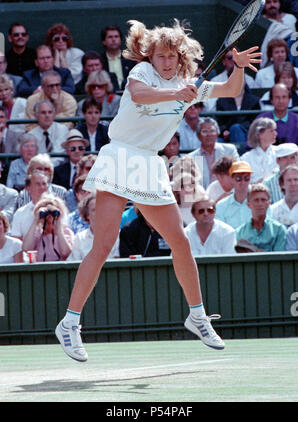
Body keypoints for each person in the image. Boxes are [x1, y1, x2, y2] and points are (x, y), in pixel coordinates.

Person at [55, 18, 261, 361]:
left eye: (171, 56)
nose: (165, 61)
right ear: (151, 56)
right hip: (121, 155)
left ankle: (197, 316)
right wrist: (177, 94)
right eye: (160, 55)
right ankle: (69, 323)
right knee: (103, 244)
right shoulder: (142, 74)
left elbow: (231, 90)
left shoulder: (189, 82)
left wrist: (237, 68)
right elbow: (139, 95)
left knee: (180, 241)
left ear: (180, 57)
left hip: (150, 165)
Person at [188, 117, 240, 189]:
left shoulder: (229, 150)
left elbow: (237, 174)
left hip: (227, 193)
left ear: (217, 134)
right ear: (198, 136)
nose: (209, 134)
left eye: (212, 131)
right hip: (202, 196)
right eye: (204, 131)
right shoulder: (191, 158)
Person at [67, 193, 119, 261]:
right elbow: (73, 266)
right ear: (87, 215)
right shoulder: (79, 239)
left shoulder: (118, 236)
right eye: (94, 210)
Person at [236, 183, 287, 252]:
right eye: (256, 200)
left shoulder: (279, 230)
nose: (260, 204)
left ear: (269, 203)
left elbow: (280, 259)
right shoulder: (240, 232)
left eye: (263, 200)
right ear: (248, 204)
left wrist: (254, 251)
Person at [22, 194, 74, 262]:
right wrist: (36, 220)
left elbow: (65, 253)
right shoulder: (37, 233)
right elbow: (26, 249)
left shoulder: (66, 232)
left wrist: (58, 225)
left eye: (53, 213)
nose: (49, 216)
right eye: (46, 213)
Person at [28, 100, 69, 165]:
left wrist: (46, 167)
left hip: (59, 168)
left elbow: (58, 155)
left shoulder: (62, 129)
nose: (47, 115)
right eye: (43, 113)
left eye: (50, 112)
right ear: (36, 116)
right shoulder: (31, 135)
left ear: (54, 115)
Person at [10, 170, 49, 240]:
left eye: (44, 184)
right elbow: (16, 241)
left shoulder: (58, 210)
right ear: (28, 188)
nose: (42, 187)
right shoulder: (20, 213)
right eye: (37, 184)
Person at [215, 160, 253, 229]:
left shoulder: (259, 202)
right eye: (238, 178)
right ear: (231, 179)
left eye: (246, 178)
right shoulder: (221, 206)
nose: (243, 182)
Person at [241, 117, 278, 183]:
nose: (275, 133)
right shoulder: (246, 158)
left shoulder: (280, 153)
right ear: (260, 134)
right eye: (271, 131)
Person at [100, 25, 135, 91]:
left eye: (116, 36)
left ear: (121, 40)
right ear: (104, 41)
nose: (113, 39)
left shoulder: (130, 58)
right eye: (110, 37)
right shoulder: (100, 60)